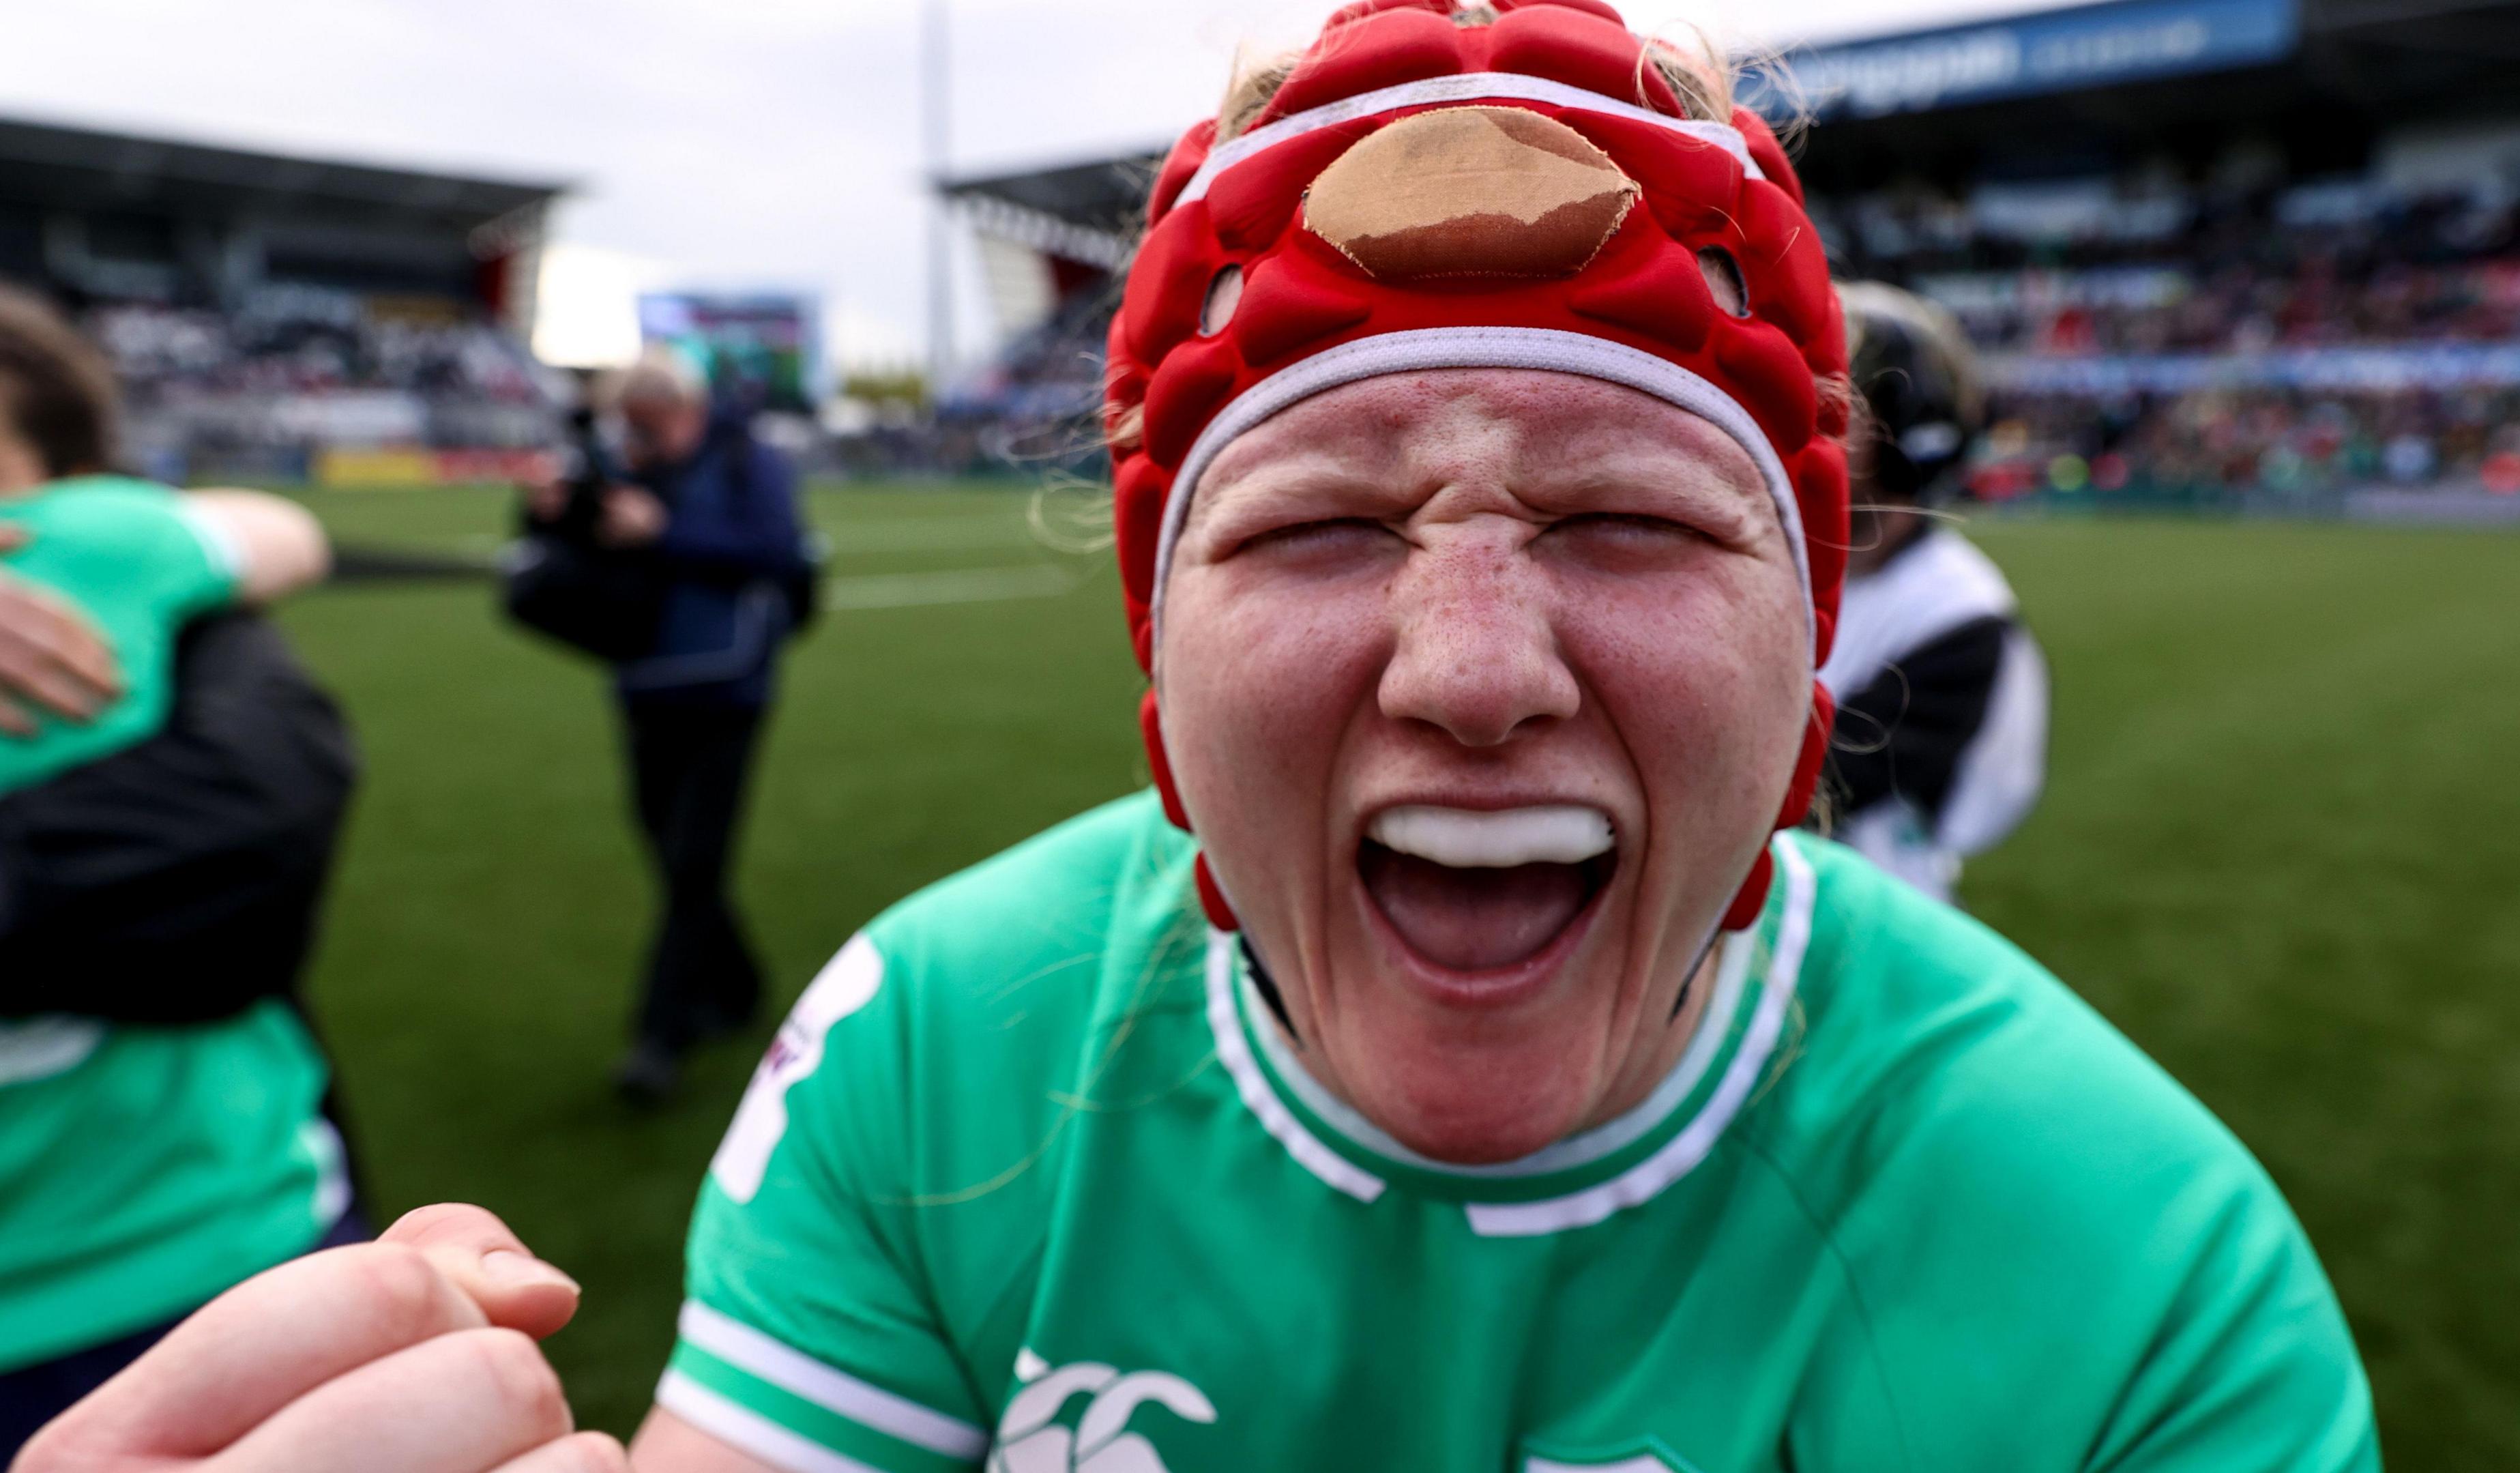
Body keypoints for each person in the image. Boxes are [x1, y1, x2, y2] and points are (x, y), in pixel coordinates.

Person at [18, 5, 2380, 1470]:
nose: (1472, 667)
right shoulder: (935, 1041)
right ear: (1162, 644)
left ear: (1811, 636)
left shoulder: (2139, 1273)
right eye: (1328, 522)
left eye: (1635, 516)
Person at [0, 287, 358, 1453]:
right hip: (220, 1228)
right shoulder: (114, 540)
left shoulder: (89, 546)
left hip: (206, 1242)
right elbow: (283, 531)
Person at [522, 353, 811, 1105]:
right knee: (671, 851)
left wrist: (665, 530)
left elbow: (777, 552)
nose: (639, 435)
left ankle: (660, 1036)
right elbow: (583, 547)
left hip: (730, 687)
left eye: (650, 420)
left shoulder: (750, 460)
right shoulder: (623, 462)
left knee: (692, 863)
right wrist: (550, 510)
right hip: (646, 681)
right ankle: (741, 985)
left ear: (682, 407)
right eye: (631, 422)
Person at [1817, 281, 2049, 904]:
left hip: (1854, 925)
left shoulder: (1957, 612)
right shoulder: (1772, 562)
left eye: (1833, 408)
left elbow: (1825, 787)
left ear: (1904, 430)